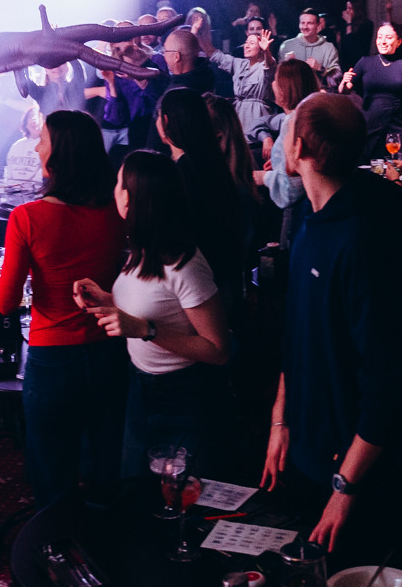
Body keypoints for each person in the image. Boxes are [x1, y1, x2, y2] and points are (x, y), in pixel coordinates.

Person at [261, 94, 402, 555]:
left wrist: (345, 486)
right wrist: (281, 419)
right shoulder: (311, 219)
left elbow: (388, 377)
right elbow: (299, 332)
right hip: (307, 448)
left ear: (300, 148)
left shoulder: (365, 240)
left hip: (352, 470)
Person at [71, 151, 233, 477]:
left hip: (183, 393)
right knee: (136, 490)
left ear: (131, 198)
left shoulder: (185, 264)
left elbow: (218, 350)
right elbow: (153, 305)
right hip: (140, 386)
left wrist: (146, 329)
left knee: (183, 494)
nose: (113, 189)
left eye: (119, 183)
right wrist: (106, 299)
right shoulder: (142, 249)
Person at [0, 109, 128, 507]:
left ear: (61, 154)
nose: (36, 148)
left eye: (43, 141)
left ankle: (56, 543)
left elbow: (5, 303)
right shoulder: (115, 211)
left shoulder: (27, 217)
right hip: (110, 349)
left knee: (53, 475)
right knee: (106, 467)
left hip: (52, 355)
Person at [0, 4, 184, 94]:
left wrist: (45, 28)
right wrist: (41, 53)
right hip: (45, 50)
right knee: (91, 56)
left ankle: (161, 26)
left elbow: (19, 55)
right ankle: (144, 72)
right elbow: (19, 63)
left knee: (101, 31)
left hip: (47, 38)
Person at [156, 88, 244, 312]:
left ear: (166, 122)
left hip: (198, 289)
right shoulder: (212, 163)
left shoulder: (181, 172)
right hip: (224, 277)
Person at [340, 23, 402, 159]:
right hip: (370, 123)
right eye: (380, 37)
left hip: (396, 124)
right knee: (370, 166)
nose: (383, 41)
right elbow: (344, 91)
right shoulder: (365, 62)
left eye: (388, 37)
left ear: (398, 42)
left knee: (398, 165)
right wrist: (344, 81)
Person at [255, 59, 322, 218]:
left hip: (298, 213)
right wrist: (280, 164)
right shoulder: (307, 117)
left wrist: (263, 177)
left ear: (286, 88)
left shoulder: (293, 123)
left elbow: (289, 191)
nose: (272, 84)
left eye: (276, 80)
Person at [207, 25, 277, 141]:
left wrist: (267, 51)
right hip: (239, 117)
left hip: (257, 118)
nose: (246, 46)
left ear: (260, 48)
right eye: (246, 42)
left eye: (252, 43)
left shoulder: (264, 67)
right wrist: (198, 34)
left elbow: (270, 67)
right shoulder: (240, 64)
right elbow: (216, 55)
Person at [277, 8, 341, 89]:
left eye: (309, 23)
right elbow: (278, 76)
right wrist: (287, 66)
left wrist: (321, 69)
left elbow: (337, 76)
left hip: (319, 94)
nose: (305, 27)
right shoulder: (287, 46)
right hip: (293, 94)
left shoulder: (329, 48)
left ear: (318, 25)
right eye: (302, 23)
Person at [336, 0, 375, 70]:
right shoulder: (344, 25)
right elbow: (344, 48)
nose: (347, 11)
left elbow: (353, 48)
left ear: (357, 9)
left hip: (359, 64)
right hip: (345, 65)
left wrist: (349, 23)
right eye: (346, 8)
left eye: (350, 8)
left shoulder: (367, 25)